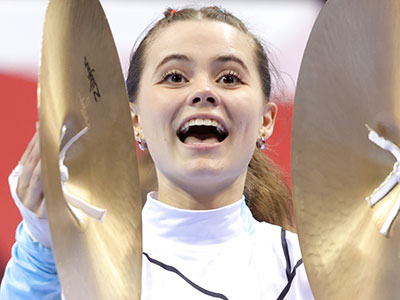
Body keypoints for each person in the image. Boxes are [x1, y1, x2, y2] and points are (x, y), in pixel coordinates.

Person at [0, 6, 314, 300]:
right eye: (175, 77)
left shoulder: (311, 273)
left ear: (265, 120)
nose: (203, 91)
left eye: (229, 78)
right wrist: (40, 246)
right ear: (135, 121)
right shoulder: (86, 267)